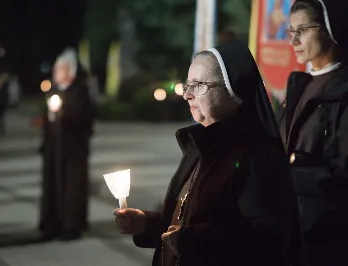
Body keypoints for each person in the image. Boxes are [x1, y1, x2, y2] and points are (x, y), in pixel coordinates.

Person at [114, 40, 305, 266]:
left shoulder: (258, 157)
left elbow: (267, 241)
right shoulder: (199, 148)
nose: (187, 95)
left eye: (198, 85)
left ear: (234, 90)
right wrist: (146, 224)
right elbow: (184, 221)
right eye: (187, 85)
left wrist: (195, 241)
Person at [279, 0, 348, 265]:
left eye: (303, 29)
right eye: (290, 31)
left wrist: (291, 173)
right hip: (294, 226)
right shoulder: (301, 85)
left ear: (331, 28)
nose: (293, 40)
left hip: (328, 235)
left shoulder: (343, 92)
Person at [39, 48, 94, 241]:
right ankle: (51, 223)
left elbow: (84, 120)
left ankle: (70, 225)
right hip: (54, 149)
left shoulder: (80, 92)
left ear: (70, 71)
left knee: (71, 188)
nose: (55, 73)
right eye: (55, 69)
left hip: (73, 150)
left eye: (60, 69)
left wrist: (63, 115)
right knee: (53, 185)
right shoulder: (53, 91)